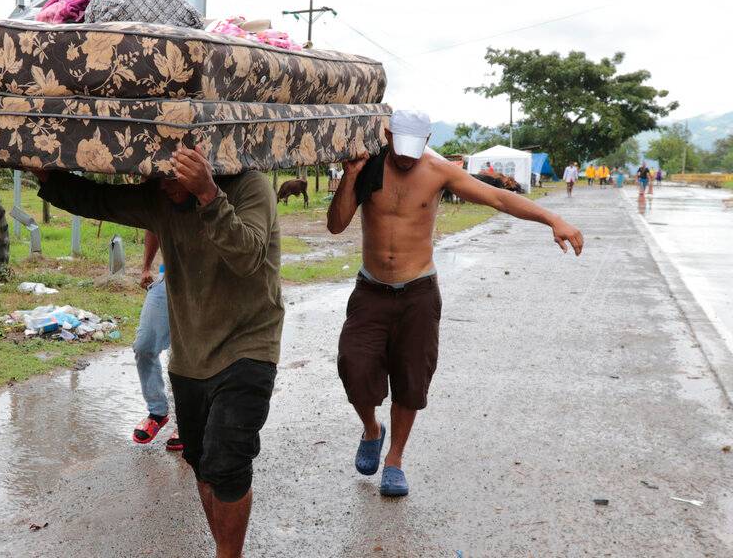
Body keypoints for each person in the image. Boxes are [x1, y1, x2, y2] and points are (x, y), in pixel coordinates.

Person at [34, 145, 283, 558]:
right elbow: (99, 198)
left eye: (175, 173)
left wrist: (207, 195)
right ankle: (226, 548)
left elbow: (249, 257)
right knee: (202, 462)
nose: (166, 184)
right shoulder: (161, 195)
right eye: (159, 174)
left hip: (249, 343)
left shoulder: (251, 187)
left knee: (227, 462)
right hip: (191, 353)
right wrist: (45, 173)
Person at [327, 110, 583, 498]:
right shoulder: (368, 166)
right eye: (400, 148)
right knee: (354, 366)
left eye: (416, 149)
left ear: (427, 140)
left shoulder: (439, 171)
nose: (407, 158)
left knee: (411, 379)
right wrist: (349, 177)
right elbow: (336, 224)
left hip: (418, 293)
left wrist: (552, 218)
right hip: (371, 291)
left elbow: (498, 197)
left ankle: (394, 460)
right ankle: (371, 430)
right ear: (387, 133)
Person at [131, 230, 183, 451]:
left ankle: (187, 422)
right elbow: (154, 226)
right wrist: (145, 267)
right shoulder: (163, 197)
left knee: (185, 354)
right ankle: (158, 412)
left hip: (205, 283)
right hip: (167, 278)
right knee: (144, 345)